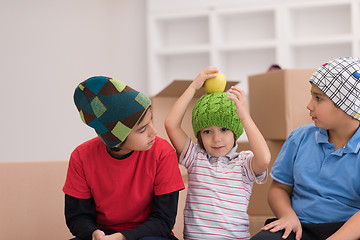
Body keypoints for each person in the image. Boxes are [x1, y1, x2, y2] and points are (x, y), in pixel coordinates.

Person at [63, 76, 185, 240]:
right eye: (142, 130)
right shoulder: (81, 156)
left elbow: (164, 221)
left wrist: (121, 237)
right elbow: (77, 217)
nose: (154, 132)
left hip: (150, 235)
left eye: (151, 121)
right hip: (103, 235)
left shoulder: (163, 153)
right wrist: (94, 234)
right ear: (116, 140)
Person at [251, 57, 360, 240]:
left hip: (349, 232)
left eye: (318, 98)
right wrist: (287, 216)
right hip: (299, 226)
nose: (309, 105)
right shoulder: (299, 137)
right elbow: (279, 188)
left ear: (347, 106)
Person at [165, 66, 271, 239]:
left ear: (235, 131)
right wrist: (193, 87)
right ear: (199, 135)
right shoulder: (195, 158)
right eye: (207, 131)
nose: (216, 139)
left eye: (224, 129)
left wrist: (244, 116)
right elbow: (171, 124)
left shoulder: (243, 163)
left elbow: (265, 159)